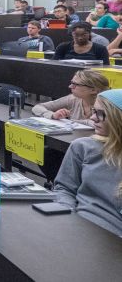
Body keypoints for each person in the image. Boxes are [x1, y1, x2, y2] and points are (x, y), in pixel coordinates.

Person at [53, 89, 122, 236]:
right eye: (93, 111)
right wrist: (66, 218)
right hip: (80, 226)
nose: (93, 118)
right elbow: (64, 189)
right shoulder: (83, 147)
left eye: (101, 113)